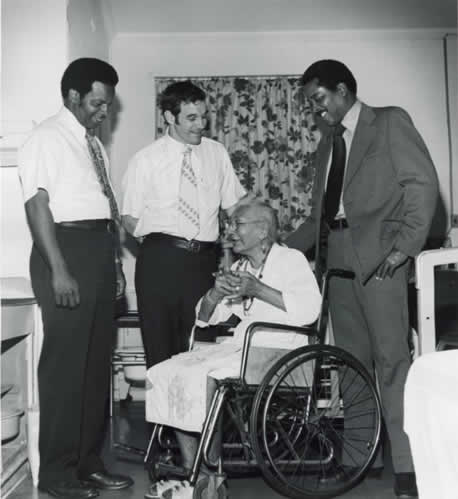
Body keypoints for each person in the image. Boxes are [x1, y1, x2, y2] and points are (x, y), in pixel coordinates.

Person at [286, 59, 438, 498]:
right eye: (310, 103)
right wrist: (276, 251)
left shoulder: (388, 122)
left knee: (392, 362)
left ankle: (408, 467)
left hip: (380, 258)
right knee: (350, 363)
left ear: (342, 89)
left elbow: (422, 184)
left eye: (318, 99)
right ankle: (358, 458)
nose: (315, 110)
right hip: (336, 256)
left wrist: (405, 247)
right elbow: (318, 217)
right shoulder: (327, 144)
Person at [144, 201, 322, 499]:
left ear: (262, 230)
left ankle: (209, 478)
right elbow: (205, 317)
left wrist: (258, 290)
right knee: (169, 370)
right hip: (244, 347)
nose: (230, 231)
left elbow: (309, 310)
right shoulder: (241, 267)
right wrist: (214, 294)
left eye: (237, 224)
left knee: (205, 377)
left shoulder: (291, 260)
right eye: (230, 225)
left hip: (280, 352)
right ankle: (194, 474)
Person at [18, 58, 133, 498]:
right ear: (73, 96)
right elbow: (37, 205)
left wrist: (115, 264)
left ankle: (88, 463)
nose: (104, 112)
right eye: (97, 103)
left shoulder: (93, 144)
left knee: (95, 368)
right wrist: (59, 269)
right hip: (64, 250)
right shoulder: (45, 137)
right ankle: (56, 474)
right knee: (66, 370)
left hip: (98, 251)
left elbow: (104, 207)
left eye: (108, 105)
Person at [121, 80, 248, 370]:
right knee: (160, 354)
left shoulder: (216, 153)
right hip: (159, 263)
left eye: (203, 116)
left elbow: (235, 207)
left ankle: (197, 404)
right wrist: (163, 245)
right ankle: (159, 404)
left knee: (199, 353)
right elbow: (129, 218)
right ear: (170, 117)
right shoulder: (145, 160)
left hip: (203, 264)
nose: (200, 124)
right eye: (191, 118)